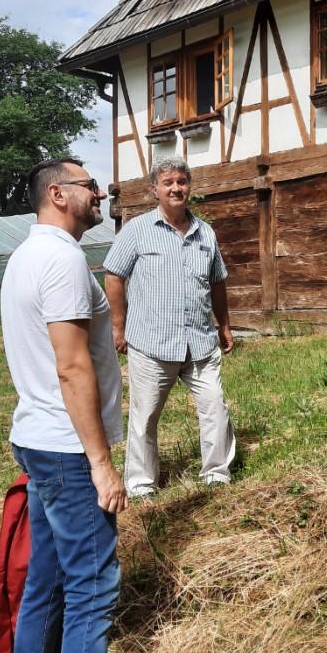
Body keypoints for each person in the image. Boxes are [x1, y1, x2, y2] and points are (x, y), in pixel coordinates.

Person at [1, 157, 128, 653]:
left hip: (38, 438)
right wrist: (100, 463)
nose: (98, 194)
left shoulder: (25, 256)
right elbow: (72, 366)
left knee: (46, 585)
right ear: (58, 194)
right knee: (92, 592)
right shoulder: (62, 261)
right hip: (68, 450)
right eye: (89, 186)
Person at [104, 157, 236, 499]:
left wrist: (225, 326)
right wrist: (118, 327)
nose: (176, 188)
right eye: (168, 183)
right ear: (155, 190)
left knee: (215, 406)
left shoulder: (205, 232)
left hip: (199, 342)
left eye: (181, 181)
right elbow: (114, 276)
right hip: (151, 342)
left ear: (189, 186)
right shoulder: (137, 229)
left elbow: (218, 283)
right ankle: (141, 484)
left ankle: (217, 474)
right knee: (145, 416)